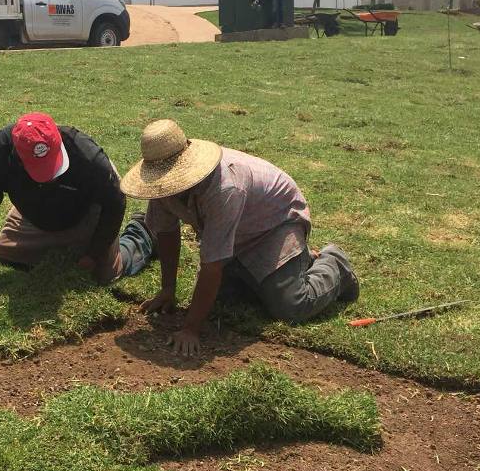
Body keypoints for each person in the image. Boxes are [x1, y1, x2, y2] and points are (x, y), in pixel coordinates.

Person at [121, 119, 359, 356]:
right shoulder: (164, 186)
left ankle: (334, 263)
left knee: (291, 305)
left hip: (274, 225)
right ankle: (292, 264)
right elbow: (166, 232)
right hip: (236, 234)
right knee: (225, 299)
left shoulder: (224, 188)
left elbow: (212, 266)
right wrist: (167, 290)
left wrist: (191, 329)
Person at [0, 112, 153, 301]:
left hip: (86, 214)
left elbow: (115, 203)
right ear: (18, 158)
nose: (50, 178)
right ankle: (52, 241)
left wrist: (93, 255)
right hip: (34, 213)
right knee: (9, 260)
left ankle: (141, 231)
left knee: (104, 276)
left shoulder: (87, 156)